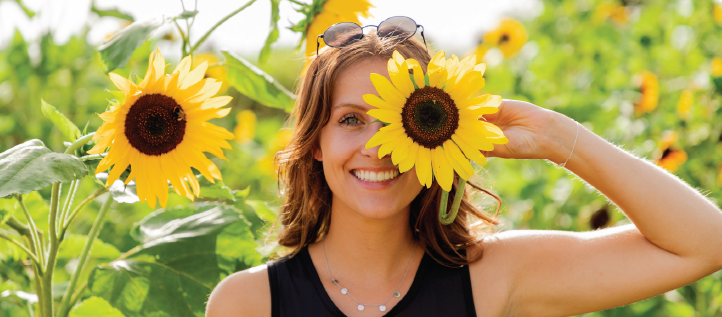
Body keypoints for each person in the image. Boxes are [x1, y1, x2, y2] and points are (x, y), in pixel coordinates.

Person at [206, 23, 722, 317]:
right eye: (351, 120)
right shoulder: (248, 302)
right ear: (315, 142)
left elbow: (706, 243)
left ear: (438, 134)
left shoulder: (494, 277)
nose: (378, 148)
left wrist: (559, 139)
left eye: (396, 121)